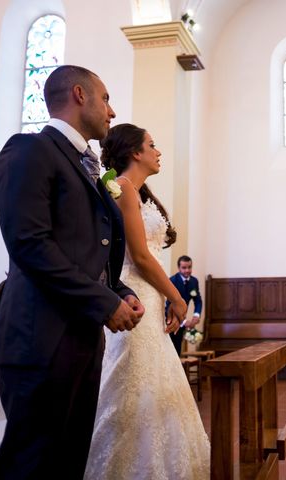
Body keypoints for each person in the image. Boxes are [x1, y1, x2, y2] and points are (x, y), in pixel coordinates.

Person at [0, 65, 145, 479]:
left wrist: (118, 289)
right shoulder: (29, 150)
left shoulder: (86, 164)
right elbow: (29, 244)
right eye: (106, 98)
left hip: (78, 333)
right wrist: (103, 301)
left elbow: (88, 247)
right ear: (79, 94)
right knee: (31, 462)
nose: (112, 111)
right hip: (40, 335)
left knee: (69, 460)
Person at [84, 123, 210, 479]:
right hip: (135, 292)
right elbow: (139, 255)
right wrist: (178, 297)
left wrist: (166, 297)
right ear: (135, 152)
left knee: (153, 376)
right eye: (152, 145)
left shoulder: (137, 192)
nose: (158, 152)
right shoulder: (122, 187)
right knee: (130, 376)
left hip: (150, 294)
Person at [168, 255, 203, 354]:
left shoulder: (194, 281)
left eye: (189, 267)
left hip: (182, 320)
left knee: (178, 349)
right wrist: (183, 321)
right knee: (171, 350)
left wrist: (196, 315)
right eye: (184, 268)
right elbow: (169, 305)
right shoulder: (172, 281)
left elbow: (198, 300)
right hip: (171, 321)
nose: (187, 270)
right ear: (179, 268)